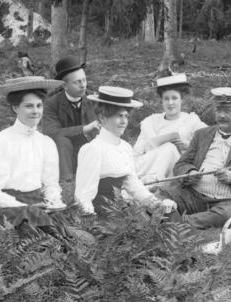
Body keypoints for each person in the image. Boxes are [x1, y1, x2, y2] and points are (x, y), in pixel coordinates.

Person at [157, 87, 231, 229]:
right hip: (195, 196)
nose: (222, 115)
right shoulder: (202, 134)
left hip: (230, 201)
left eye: (228, 110)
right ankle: (174, 219)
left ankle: (179, 222)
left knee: (229, 214)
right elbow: (181, 164)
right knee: (163, 192)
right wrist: (190, 173)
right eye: (218, 110)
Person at [0, 75, 68, 229]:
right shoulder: (0, 141)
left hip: (37, 205)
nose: (35, 111)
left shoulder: (46, 143)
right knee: (38, 223)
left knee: (63, 224)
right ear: (15, 108)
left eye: (39, 106)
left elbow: (50, 184)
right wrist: (23, 207)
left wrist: (54, 201)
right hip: (5, 208)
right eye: (29, 106)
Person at [74, 86, 177, 216]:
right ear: (102, 118)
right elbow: (83, 196)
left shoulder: (125, 147)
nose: (124, 122)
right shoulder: (93, 149)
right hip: (100, 215)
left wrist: (155, 203)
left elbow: (133, 184)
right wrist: (90, 222)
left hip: (119, 210)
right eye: (118, 116)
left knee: (170, 214)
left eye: (126, 116)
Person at [133, 71, 207, 183]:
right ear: (161, 101)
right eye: (166, 98)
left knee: (169, 148)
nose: (170, 103)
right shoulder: (150, 122)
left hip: (175, 172)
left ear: (181, 100)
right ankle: (144, 181)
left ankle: (151, 184)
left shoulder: (191, 121)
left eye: (174, 98)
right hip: (148, 167)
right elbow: (136, 153)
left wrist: (190, 145)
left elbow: (211, 140)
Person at [41, 55, 100, 182]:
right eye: (77, 82)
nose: (83, 85)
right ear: (65, 86)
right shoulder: (52, 104)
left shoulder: (95, 99)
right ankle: (66, 183)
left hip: (93, 153)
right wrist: (84, 129)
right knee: (62, 140)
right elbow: (50, 133)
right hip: (67, 156)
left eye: (84, 80)